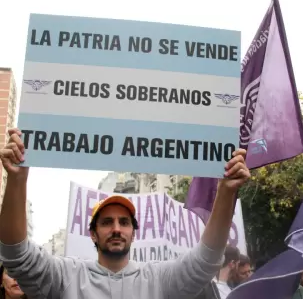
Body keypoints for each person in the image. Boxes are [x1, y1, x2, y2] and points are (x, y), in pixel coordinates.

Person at [0, 128, 251, 299]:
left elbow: (206, 262)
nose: (117, 228)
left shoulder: (157, 278)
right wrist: (17, 180)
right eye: (107, 222)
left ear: (133, 233)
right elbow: (16, 256)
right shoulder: (67, 275)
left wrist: (227, 192)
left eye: (124, 222)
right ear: (93, 234)